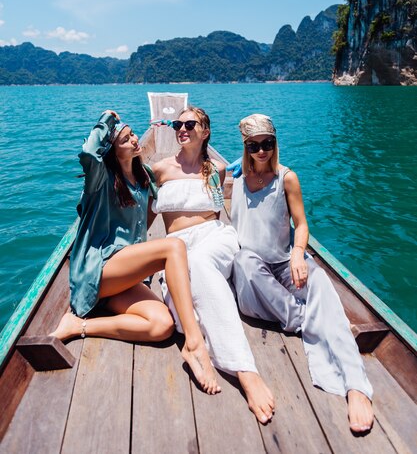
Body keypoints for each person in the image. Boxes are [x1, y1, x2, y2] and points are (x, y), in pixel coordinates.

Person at [51, 109, 220, 395]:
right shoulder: (101, 179)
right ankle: (194, 343)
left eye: (132, 135)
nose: (133, 140)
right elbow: (89, 152)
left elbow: (174, 185)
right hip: (100, 270)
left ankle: (77, 326)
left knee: (162, 326)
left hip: (124, 278)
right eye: (126, 139)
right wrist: (106, 119)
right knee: (173, 246)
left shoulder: (144, 179)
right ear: (113, 150)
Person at [230, 113, 374, 432]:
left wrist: (297, 252)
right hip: (253, 279)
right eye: (254, 146)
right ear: (245, 147)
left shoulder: (287, 178)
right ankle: (307, 319)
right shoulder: (236, 180)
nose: (262, 151)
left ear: (275, 143)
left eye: (268, 143)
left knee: (321, 282)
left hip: (283, 265)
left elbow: (302, 223)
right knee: (243, 261)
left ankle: (355, 387)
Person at [151, 106, 275, 424]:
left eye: (189, 124)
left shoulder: (215, 170)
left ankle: (244, 369)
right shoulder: (159, 169)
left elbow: (220, 211)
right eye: (178, 123)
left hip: (214, 238)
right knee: (178, 318)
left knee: (202, 263)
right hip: (175, 247)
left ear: (205, 131)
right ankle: (198, 342)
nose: (182, 128)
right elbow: (146, 216)